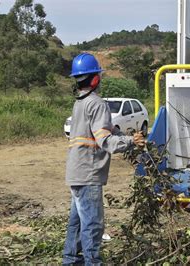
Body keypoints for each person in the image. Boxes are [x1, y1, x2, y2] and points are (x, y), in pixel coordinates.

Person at [63, 53, 145, 264]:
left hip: (76, 172)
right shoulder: (97, 104)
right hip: (89, 173)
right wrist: (131, 142)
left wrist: (117, 131)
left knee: (77, 222)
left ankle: (71, 261)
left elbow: (97, 130)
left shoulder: (80, 103)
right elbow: (105, 141)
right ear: (96, 78)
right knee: (92, 224)